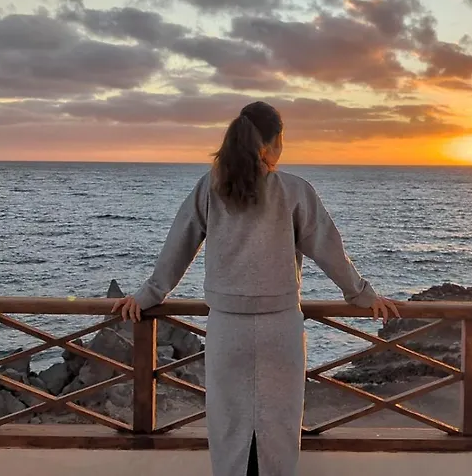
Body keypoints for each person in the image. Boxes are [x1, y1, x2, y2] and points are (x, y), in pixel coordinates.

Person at [112, 101, 400, 476]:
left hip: (227, 329)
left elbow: (177, 248)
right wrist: (363, 295)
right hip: (280, 329)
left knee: (229, 429)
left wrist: (147, 296)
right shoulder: (295, 191)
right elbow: (330, 252)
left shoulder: (211, 188)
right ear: (274, 142)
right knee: (278, 432)